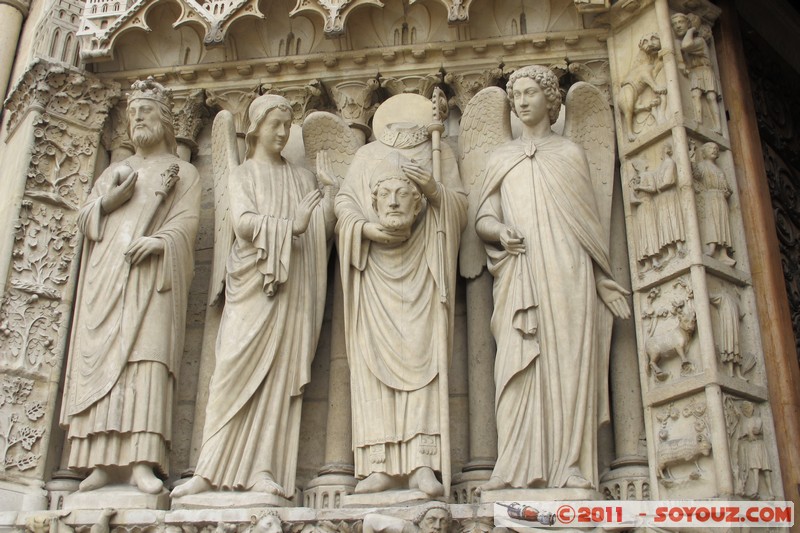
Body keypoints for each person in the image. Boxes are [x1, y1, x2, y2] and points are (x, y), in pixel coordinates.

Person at [171, 94, 334, 499]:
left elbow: (320, 236)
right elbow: (242, 223)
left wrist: (330, 196)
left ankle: (265, 467)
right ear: (256, 127)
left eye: (287, 126)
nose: (282, 132)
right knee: (228, 373)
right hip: (251, 285)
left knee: (277, 379)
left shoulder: (301, 179)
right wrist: (290, 227)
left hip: (291, 289)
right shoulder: (243, 175)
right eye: (275, 124)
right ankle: (207, 470)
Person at [476, 65, 630, 491]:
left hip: (568, 271)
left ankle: (572, 464)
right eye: (516, 96)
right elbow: (484, 217)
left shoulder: (570, 154)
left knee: (569, 362)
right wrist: (499, 230)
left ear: (551, 100)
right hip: (520, 269)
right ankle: (514, 466)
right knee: (517, 362)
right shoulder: (499, 158)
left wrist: (601, 280)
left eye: (530, 93)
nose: (522, 102)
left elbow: (589, 227)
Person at [61, 78, 201, 494]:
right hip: (107, 278)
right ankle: (100, 462)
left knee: (147, 360)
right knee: (102, 364)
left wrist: (159, 241)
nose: (137, 118)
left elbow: (188, 224)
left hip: (153, 279)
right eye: (133, 112)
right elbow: (84, 221)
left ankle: (142, 461)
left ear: (165, 120)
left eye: (147, 111)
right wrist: (107, 203)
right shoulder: (112, 172)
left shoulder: (184, 172)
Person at [335, 109, 467, 497]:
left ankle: (423, 463)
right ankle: (378, 465)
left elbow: (460, 208)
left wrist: (433, 189)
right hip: (374, 272)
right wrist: (365, 228)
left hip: (424, 269)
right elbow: (343, 206)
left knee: (425, 361)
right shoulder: (366, 157)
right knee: (371, 365)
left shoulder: (438, 153)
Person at [364, 504, 451, 533]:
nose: (437, 526)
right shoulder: (410, 529)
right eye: (431, 520)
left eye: (443, 522)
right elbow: (369, 521)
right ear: (420, 522)